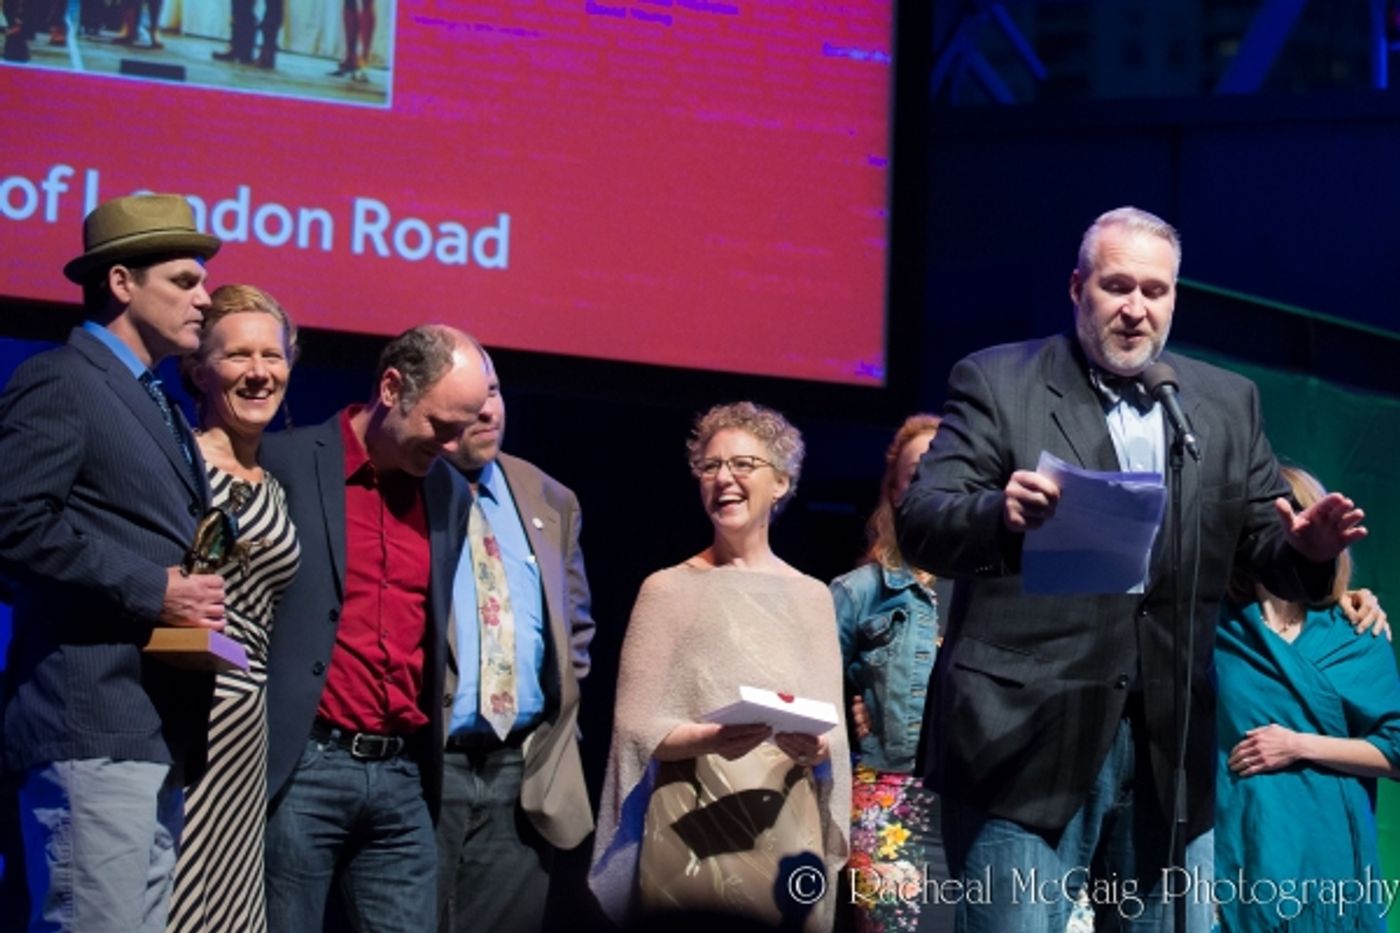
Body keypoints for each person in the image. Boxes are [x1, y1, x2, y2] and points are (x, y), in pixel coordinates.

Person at [896, 206, 1367, 931]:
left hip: (1165, 751)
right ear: (1077, 286)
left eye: (1155, 290)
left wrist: (1308, 550)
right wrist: (1000, 512)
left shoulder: (1221, 402)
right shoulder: (998, 380)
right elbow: (922, 518)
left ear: (1175, 297)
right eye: (1118, 286)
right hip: (1022, 743)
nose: (1135, 309)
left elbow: (1261, 547)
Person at [0, 193, 225, 931]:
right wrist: (149, 587)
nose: (206, 297)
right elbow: (11, 519)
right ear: (122, 282)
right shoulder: (63, 379)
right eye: (185, 281)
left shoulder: (154, 400)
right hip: (88, 715)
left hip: (150, 723)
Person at [260, 325, 489, 932]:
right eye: (441, 424)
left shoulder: (447, 493)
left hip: (399, 777)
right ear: (392, 387)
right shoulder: (286, 460)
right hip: (304, 764)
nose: (450, 444)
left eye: (463, 429)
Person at [590, 401, 851, 932]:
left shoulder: (812, 596)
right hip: (691, 824)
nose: (724, 479)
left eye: (742, 465)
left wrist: (817, 746)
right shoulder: (666, 589)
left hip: (784, 823)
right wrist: (709, 738)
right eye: (711, 467)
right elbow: (633, 728)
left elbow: (834, 731)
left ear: (780, 482)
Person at [436, 350, 596, 933]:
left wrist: (557, 727)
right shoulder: (407, 486)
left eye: (495, 391)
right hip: (431, 763)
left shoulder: (548, 497)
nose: (486, 410)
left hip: (521, 770)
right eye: (469, 397)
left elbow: (573, 626)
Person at [166, 285, 302, 933]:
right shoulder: (179, 462)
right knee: (171, 894)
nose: (259, 372)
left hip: (248, 728)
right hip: (185, 711)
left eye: (272, 356)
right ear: (197, 369)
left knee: (231, 906)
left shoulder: (277, 484)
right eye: (238, 356)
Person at [1215, 466, 1400, 933]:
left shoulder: (1356, 630)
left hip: (1327, 849)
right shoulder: (1215, 627)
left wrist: (1299, 745)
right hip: (1240, 839)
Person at [831, 414, 954, 933]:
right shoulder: (860, 591)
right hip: (892, 802)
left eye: (942, 468)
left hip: (982, 806)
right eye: (914, 473)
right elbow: (812, 695)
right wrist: (854, 714)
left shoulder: (1001, 588)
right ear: (895, 491)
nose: (928, 483)